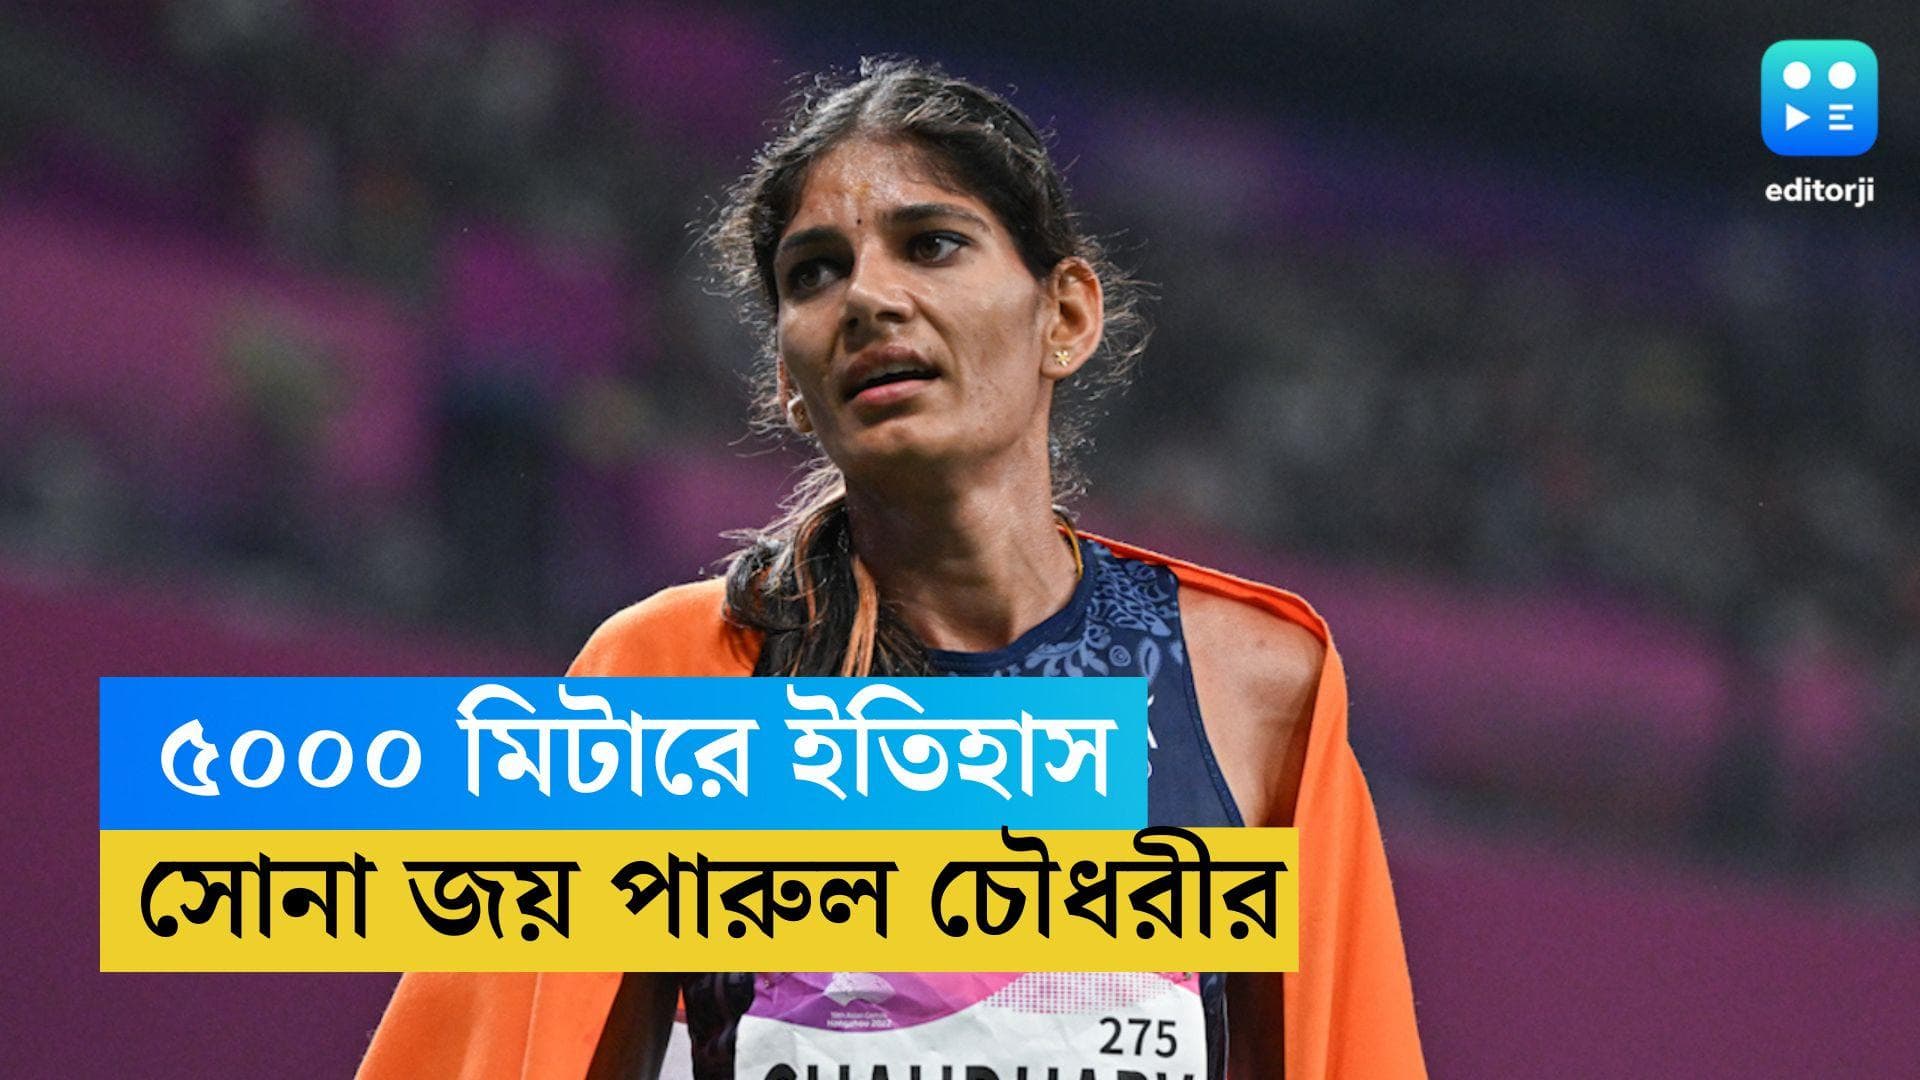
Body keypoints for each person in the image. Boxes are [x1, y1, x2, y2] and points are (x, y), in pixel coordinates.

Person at [359, 57, 1424, 1080]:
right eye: (815, 273)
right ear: (790, 379)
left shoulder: (1251, 691)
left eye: (932, 244)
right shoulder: (669, 684)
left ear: (1065, 315)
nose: (867, 297)